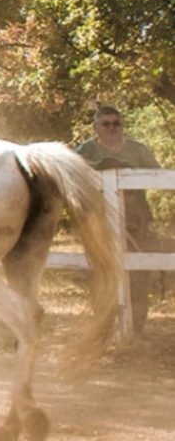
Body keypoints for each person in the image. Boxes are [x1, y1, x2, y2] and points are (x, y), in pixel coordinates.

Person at [76, 103, 161, 333]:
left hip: (136, 221)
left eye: (117, 123)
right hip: (98, 222)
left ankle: (135, 330)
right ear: (96, 127)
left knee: (138, 275)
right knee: (102, 274)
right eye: (106, 124)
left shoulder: (138, 150)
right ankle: (103, 329)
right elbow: (73, 183)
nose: (112, 128)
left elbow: (158, 176)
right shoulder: (84, 152)